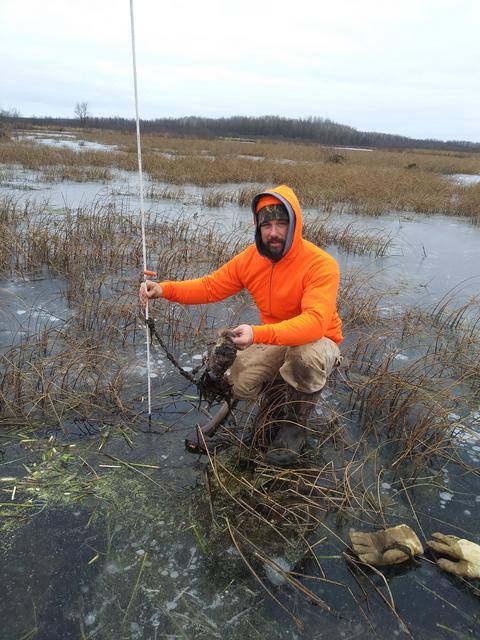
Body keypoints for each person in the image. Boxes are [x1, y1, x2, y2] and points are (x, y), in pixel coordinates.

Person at [140, 184, 343, 465]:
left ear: (295, 225)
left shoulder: (320, 264)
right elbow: (211, 287)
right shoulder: (251, 259)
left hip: (318, 341)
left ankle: (293, 429)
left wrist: (257, 333)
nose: (273, 232)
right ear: (257, 227)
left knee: (304, 358)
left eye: (282, 224)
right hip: (276, 339)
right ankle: (274, 392)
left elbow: (315, 323)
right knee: (238, 383)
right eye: (266, 225)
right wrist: (164, 289)